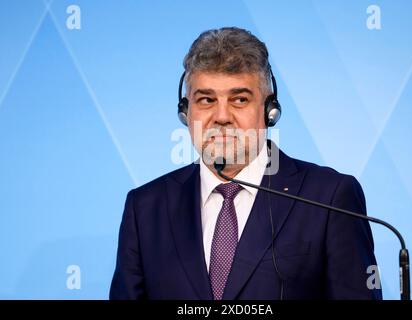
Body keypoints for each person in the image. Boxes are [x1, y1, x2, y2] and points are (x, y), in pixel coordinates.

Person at [110, 27, 382, 300]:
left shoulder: (329, 197)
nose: (222, 116)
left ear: (269, 111)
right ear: (185, 112)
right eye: (206, 100)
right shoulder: (145, 207)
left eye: (239, 99)